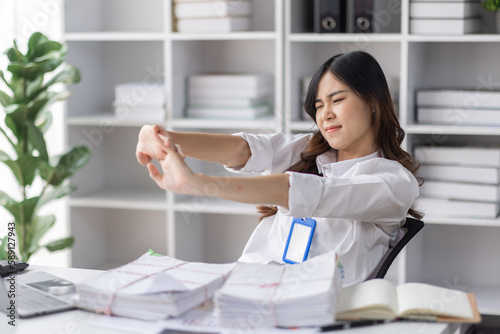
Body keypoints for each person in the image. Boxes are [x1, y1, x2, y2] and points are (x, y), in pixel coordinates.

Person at [135, 50, 422, 286]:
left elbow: (312, 193)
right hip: (247, 286)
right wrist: (165, 139)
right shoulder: (308, 151)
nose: (326, 114)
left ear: (373, 102)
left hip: (312, 312)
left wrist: (199, 184)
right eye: (319, 106)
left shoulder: (394, 183)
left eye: (337, 100)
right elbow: (244, 149)